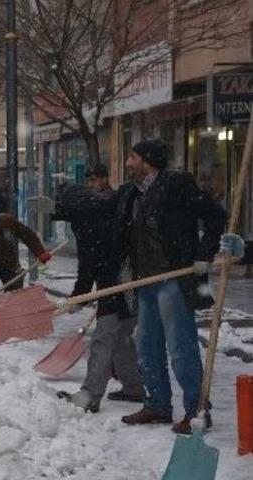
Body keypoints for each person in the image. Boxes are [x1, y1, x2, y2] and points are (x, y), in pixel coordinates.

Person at [114, 139, 226, 434]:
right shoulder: (133, 193)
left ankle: (198, 410)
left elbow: (216, 215)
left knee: (181, 348)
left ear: (147, 161)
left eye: (132, 157)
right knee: (146, 347)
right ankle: (158, 405)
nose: (128, 163)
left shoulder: (176, 185)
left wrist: (204, 254)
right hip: (146, 281)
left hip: (174, 279)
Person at [52, 164, 144, 412]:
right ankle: (134, 387)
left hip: (119, 282)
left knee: (104, 339)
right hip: (127, 279)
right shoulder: (104, 208)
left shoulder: (87, 219)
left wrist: (78, 296)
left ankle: (90, 395)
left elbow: (88, 263)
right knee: (121, 336)